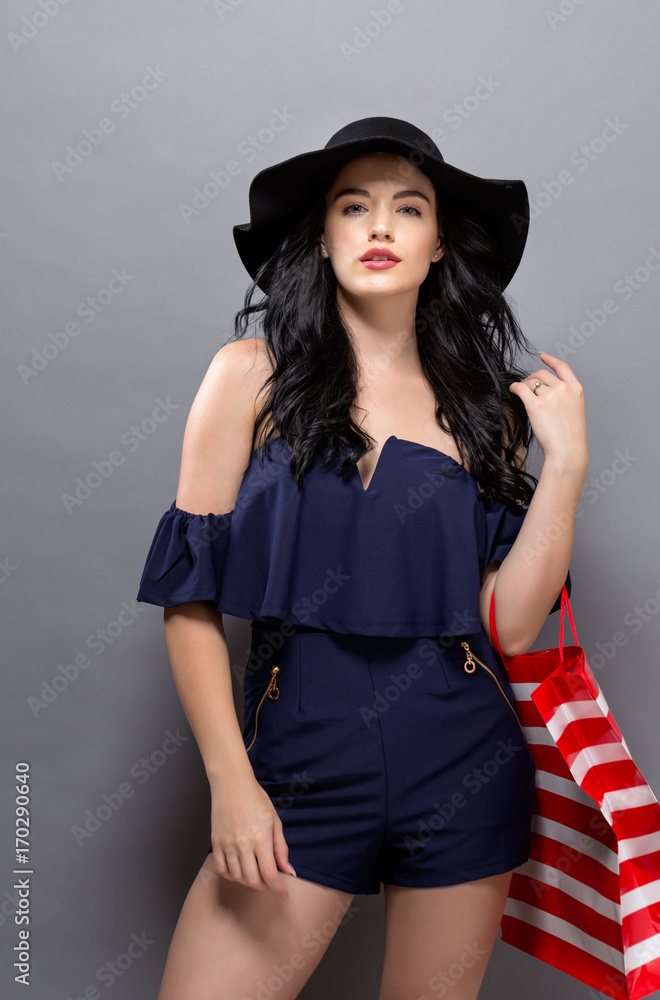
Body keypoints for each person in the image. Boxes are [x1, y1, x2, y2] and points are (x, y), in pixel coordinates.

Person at [136, 117, 588, 999]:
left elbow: (510, 622)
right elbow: (188, 602)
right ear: (323, 235)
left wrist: (564, 464)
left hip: (463, 755)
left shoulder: (487, 412)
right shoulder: (248, 375)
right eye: (355, 207)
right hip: (301, 749)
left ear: (437, 243)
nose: (379, 228)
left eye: (406, 209)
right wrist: (231, 779)